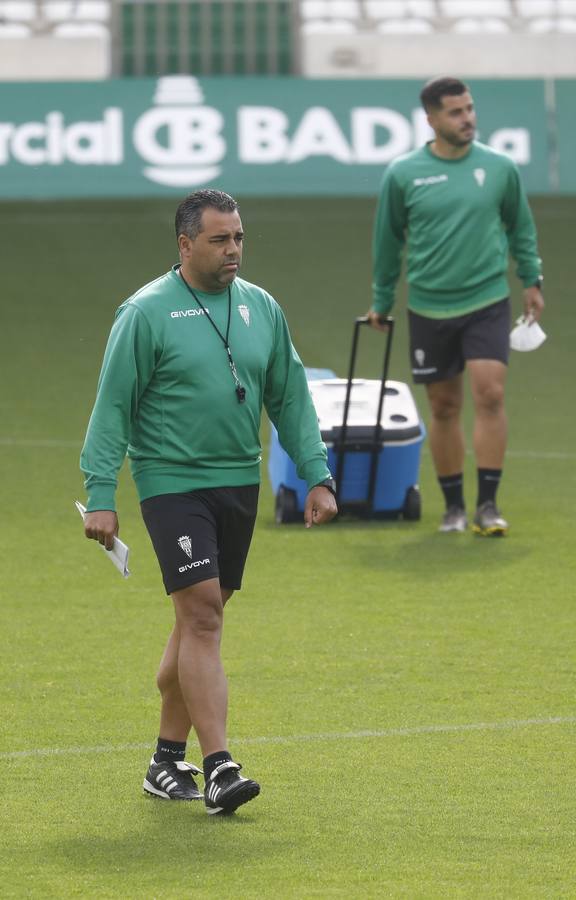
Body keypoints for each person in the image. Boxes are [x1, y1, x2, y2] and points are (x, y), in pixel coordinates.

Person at [80, 189, 337, 815]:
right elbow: (112, 406)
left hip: (237, 482)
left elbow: (291, 396)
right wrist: (101, 493)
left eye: (240, 238)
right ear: (185, 244)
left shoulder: (261, 309)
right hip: (171, 481)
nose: (234, 251)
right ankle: (221, 767)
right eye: (221, 240)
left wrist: (317, 473)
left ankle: (165, 762)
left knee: (197, 624)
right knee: (201, 619)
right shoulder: (144, 314)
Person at [366, 76, 544, 535]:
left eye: (469, 109)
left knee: (491, 394)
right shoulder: (403, 174)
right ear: (431, 118)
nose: (468, 119)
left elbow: (520, 226)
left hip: (487, 299)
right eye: (455, 112)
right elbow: (388, 243)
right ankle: (453, 509)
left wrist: (531, 279)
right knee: (443, 407)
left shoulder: (500, 167)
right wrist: (381, 302)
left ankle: (487, 505)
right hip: (428, 306)